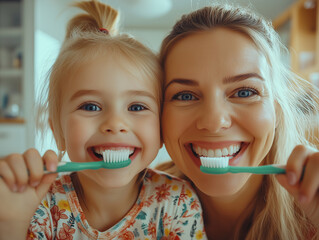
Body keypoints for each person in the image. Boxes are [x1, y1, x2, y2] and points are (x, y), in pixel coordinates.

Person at [0, 1, 206, 239]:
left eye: (137, 106)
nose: (115, 123)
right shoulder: (38, 204)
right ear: (57, 130)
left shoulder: (177, 202)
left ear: (161, 128)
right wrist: (10, 224)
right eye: (90, 106)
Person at [158, 3, 319, 240]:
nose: (214, 122)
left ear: (276, 108)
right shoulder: (131, 207)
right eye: (185, 95)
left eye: (244, 92)